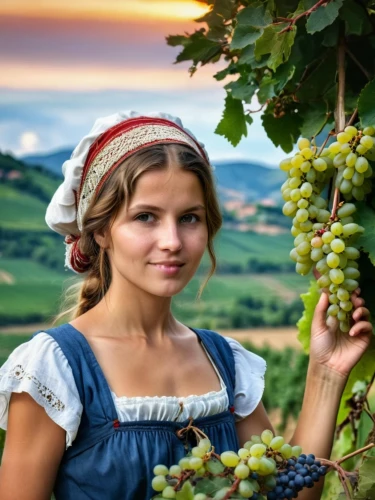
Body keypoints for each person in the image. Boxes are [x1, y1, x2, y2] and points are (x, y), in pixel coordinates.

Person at [0, 111, 372, 500]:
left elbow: (287, 495)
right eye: (146, 217)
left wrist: (326, 372)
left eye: (189, 218)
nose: (172, 241)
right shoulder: (54, 370)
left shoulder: (225, 362)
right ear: (100, 231)